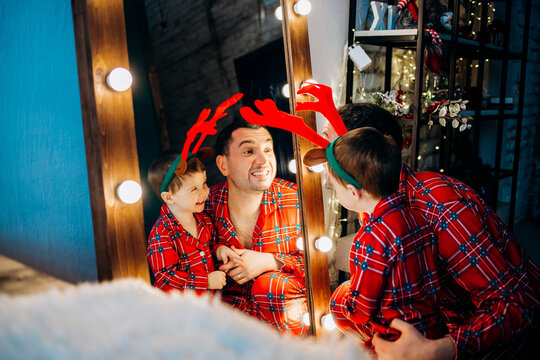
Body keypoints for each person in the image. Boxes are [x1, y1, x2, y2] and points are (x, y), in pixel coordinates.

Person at [327, 103, 540, 359]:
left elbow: (518, 304)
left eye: (331, 154)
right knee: (341, 300)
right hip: (434, 317)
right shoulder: (376, 202)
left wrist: (439, 350)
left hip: (500, 337)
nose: (326, 176)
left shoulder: (440, 205)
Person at [304, 127, 449, 351]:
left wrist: (344, 304)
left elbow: (361, 311)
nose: (333, 189)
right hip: (432, 329)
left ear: (353, 192)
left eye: (335, 186)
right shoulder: (415, 215)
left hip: (395, 338)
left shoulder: (370, 238)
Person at [205, 120, 308, 336]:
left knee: (271, 286)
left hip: (289, 323)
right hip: (229, 327)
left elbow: (322, 264)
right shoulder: (204, 206)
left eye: (268, 150)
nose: (263, 160)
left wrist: (271, 261)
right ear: (223, 165)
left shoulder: (297, 199)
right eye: (249, 151)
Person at [147, 150, 239, 295]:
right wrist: (205, 281)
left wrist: (220, 250)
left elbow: (213, 244)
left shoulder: (204, 219)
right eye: (194, 189)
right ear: (169, 198)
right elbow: (166, 276)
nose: (204, 192)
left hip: (208, 301)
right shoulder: (162, 233)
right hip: (179, 308)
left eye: (204, 183)